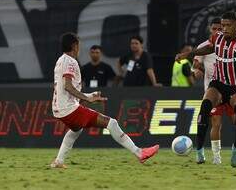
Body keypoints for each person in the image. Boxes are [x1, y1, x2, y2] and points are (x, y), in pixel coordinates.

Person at [176, 11, 236, 167]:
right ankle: (199, 151)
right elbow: (208, 49)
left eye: (228, 25)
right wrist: (188, 53)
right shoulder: (218, 37)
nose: (224, 29)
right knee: (205, 108)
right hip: (218, 84)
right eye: (223, 25)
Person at [50, 32, 159, 168]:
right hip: (68, 109)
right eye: (78, 44)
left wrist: (89, 96)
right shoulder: (70, 61)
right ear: (74, 45)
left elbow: (64, 87)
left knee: (76, 130)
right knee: (111, 123)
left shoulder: (61, 60)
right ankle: (140, 153)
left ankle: (59, 161)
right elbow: (67, 86)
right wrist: (86, 99)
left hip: (60, 108)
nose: (79, 48)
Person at [192, 17, 236, 165]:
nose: (217, 31)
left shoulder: (230, 43)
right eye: (214, 29)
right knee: (215, 123)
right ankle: (216, 157)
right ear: (210, 29)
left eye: (219, 28)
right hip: (214, 89)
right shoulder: (205, 46)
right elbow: (196, 63)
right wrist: (200, 70)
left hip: (233, 88)